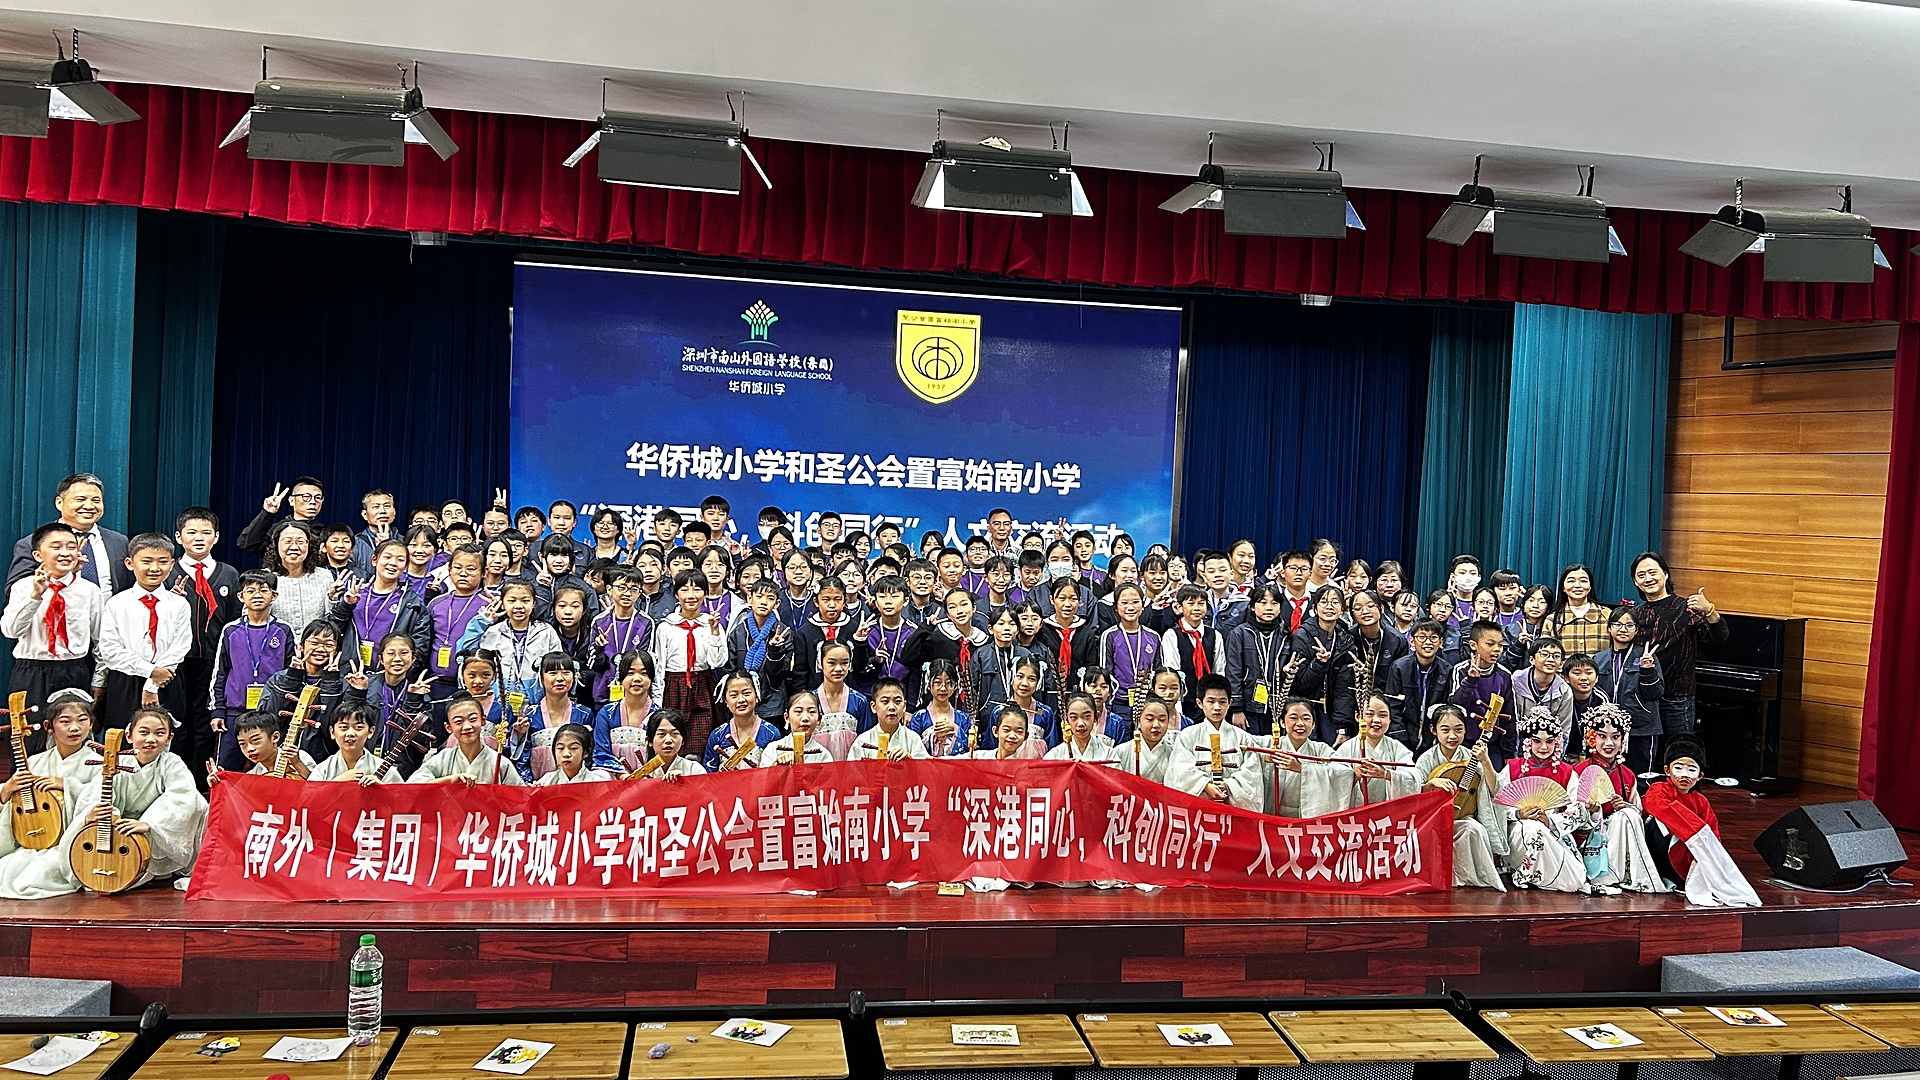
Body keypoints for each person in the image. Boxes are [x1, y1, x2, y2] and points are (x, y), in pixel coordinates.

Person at [2, 522, 103, 757]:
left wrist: (99, 679)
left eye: (71, 547)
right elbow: (10, 631)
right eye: (56, 547)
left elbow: (100, 640)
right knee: (27, 739)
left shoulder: (89, 591)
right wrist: (35, 596)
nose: (65, 553)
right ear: (38, 555)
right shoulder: (23, 587)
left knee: (73, 739)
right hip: (31, 671)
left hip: (74, 670)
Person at [0, 689, 100, 898]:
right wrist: (7, 789)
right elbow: (13, 805)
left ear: (91, 724)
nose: (75, 728)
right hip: (32, 842)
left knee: (36, 876)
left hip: (69, 844)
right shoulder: (34, 762)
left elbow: (103, 801)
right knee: (6, 869)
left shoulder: (99, 764)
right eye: (65, 722)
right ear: (49, 727)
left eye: (82, 720)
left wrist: (68, 785)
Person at [1641, 735, 1761, 907]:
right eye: (1678, 768)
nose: (1684, 775)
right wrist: (1691, 830)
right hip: (1661, 847)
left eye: (1691, 770)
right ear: (1667, 770)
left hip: (1688, 852)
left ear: (1700, 775)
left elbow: (1711, 834)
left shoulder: (1701, 801)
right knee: (1659, 823)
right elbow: (1658, 806)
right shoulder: (1658, 789)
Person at [92, 533, 191, 730]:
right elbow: (110, 650)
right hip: (125, 680)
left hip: (167, 678)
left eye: (162, 562)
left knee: (166, 735)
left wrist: (153, 684)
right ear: (130, 563)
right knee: (122, 737)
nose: (154, 568)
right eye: (146, 561)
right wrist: (150, 671)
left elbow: (180, 647)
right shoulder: (116, 603)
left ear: (172, 564)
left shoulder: (179, 604)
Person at [1629, 551, 1727, 742]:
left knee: (1678, 750)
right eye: (1641, 575)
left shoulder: (1686, 608)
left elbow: (1719, 638)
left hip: (1677, 698)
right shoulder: (1635, 614)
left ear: (1665, 574)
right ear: (1635, 582)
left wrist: (1709, 610)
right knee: (1645, 753)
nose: (1648, 579)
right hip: (1643, 697)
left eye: (1653, 572)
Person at [1495, 706, 1593, 893]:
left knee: (1575, 878)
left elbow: (1579, 809)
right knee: (1532, 828)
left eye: (1549, 741)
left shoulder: (1567, 772)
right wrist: (1519, 813)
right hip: (1520, 830)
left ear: (1557, 742)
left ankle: (1534, 876)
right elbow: (1498, 804)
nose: (1543, 747)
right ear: (1527, 742)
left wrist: (1550, 820)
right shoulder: (1512, 768)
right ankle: (1524, 872)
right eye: (1537, 741)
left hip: (1554, 831)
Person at [1573, 704, 1666, 894]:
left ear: (1623, 739)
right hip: (1588, 839)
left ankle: (1624, 873)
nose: (1609, 743)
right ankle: (1607, 875)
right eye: (1602, 736)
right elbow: (1569, 814)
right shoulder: (1578, 771)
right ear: (1591, 738)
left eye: (1615, 737)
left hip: (1619, 835)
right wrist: (1590, 812)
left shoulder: (1628, 775)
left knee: (1628, 815)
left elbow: (1639, 814)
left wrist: (1625, 806)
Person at [207, 570, 293, 773]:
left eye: (263, 590)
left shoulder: (283, 630)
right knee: (227, 769)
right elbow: (220, 672)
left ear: (274, 596)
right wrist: (217, 710)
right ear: (240, 596)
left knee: (271, 769)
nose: (257, 595)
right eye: (250, 591)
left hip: (271, 712)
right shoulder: (231, 630)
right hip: (235, 711)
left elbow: (291, 674)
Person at [1414, 704, 1507, 890]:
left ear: (1465, 730)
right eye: (1445, 730)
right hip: (1432, 819)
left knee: (1474, 829)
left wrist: (1486, 762)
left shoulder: (1470, 756)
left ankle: (1472, 877)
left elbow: (1494, 791)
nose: (1452, 736)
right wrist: (1432, 783)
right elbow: (1414, 792)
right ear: (1433, 730)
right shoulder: (1426, 759)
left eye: (1458, 730)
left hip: (1463, 815)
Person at [7, 473, 131, 592]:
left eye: (96, 500)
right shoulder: (31, 543)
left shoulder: (119, 541)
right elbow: (14, 592)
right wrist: (62, 573)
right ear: (59, 503)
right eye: (80, 499)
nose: (89, 506)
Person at [650, 570, 729, 748]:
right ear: (676, 594)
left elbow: (717, 663)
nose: (691, 596)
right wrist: (658, 700)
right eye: (685, 590)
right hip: (674, 686)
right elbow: (659, 666)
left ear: (706, 593)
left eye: (697, 589)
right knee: (673, 740)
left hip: (703, 685)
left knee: (702, 743)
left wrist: (715, 632)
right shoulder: (666, 627)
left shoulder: (711, 624)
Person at [459, 581, 562, 709]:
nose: (518, 606)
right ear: (502, 603)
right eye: (512, 601)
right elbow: (465, 653)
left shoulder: (546, 632)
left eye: (525, 601)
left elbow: (557, 665)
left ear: (534, 603)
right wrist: (482, 622)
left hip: (537, 697)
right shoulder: (493, 632)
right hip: (498, 697)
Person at [333, 539, 432, 671]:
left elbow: (419, 648)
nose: (393, 563)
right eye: (387, 557)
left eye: (400, 559)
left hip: (389, 677)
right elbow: (332, 629)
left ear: (405, 566)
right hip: (349, 673)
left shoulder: (413, 604)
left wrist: (396, 675)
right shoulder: (354, 594)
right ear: (374, 560)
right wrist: (346, 605)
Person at [258, 620, 345, 761]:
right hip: (279, 757)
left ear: (337, 651)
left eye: (329, 645)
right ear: (302, 646)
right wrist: (292, 678)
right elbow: (267, 718)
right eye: (315, 643)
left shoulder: (342, 684)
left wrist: (331, 682)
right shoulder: (279, 679)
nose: (321, 649)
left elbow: (332, 728)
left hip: (322, 760)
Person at [1592, 607, 1665, 774]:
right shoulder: (1598, 659)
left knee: (1642, 776)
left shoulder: (1647, 656)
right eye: (1617, 624)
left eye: (1629, 625)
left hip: (1641, 727)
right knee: (1607, 776)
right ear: (1609, 628)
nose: (1623, 629)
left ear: (1636, 630)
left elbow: (1655, 693)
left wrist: (1647, 670)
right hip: (1608, 730)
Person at [410, 693, 525, 785]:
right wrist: (450, 780)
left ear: (483, 720)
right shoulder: (443, 758)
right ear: (448, 727)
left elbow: (520, 796)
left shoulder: (500, 763)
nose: (467, 726)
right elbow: (413, 785)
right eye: (458, 721)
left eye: (473, 719)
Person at [1289, 585, 1355, 744]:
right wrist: (1319, 663)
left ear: (1342, 609)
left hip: (1331, 710)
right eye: (1324, 602)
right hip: (1305, 707)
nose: (1329, 607)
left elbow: (1344, 689)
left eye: (1335, 602)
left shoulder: (1346, 640)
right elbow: (1301, 685)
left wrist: (1343, 727)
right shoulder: (1302, 636)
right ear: (1315, 608)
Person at [426, 545, 491, 695]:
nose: (463, 573)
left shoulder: (490, 604)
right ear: (449, 570)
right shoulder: (436, 603)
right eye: (457, 567)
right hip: (437, 681)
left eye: (471, 569)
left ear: (484, 572)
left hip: (475, 684)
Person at [1448, 620, 1515, 766]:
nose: (1497, 649)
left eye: (1500, 645)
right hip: (1464, 743)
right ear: (1473, 645)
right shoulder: (1460, 670)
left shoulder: (1504, 675)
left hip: (1492, 744)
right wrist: (1471, 680)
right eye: (1490, 644)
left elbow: (1509, 716)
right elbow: (1455, 707)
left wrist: (1509, 752)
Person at [1334, 692, 1418, 807]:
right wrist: (1354, 776)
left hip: (1387, 813)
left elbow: (1413, 779)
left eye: (1383, 715)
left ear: (1390, 719)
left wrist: (1387, 774)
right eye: (1369, 714)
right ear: (1358, 716)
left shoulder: (1397, 748)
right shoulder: (1346, 749)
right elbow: (1334, 783)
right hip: (1356, 813)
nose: (1377, 720)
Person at [1160, 585, 1226, 722]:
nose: (1196, 608)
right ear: (1179, 607)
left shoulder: (1215, 635)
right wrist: (1177, 709)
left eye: (1201, 603)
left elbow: (1219, 670)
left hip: (1208, 702)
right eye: (1191, 603)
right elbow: (1173, 672)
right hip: (1184, 702)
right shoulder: (1172, 635)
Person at [1384, 620, 1451, 750]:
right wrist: (1399, 736)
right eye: (1422, 637)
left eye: (1434, 637)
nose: (1428, 642)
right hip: (1403, 735)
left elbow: (1445, 706)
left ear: (1441, 642)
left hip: (1432, 737)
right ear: (1412, 642)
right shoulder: (1399, 667)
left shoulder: (1446, 670)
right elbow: (1393, 705)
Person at [592, 650, 659, 772]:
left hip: (651, 777)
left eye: (644, 673)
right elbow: (601, 754)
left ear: (651, 678)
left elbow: (663, 755)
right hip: (614, 776)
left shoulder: (659, 716)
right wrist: (622, 775)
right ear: (621, 677)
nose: (637, 679)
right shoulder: (607, 713)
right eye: (630, 673)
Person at [702, 672, 780, 771]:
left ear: (756, 696)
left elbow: (776, 771)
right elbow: (709, 772)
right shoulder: (717, 735)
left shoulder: (771, 733)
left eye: (746, 693)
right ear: (726, 701)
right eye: (733, 695)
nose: (741, 700)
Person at [264, 521, 333, 633]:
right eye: (288, 541)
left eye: (300, 542)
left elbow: (331, 619)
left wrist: (333, 599)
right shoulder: (264, 578)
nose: (294, 547)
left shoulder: (325, 576)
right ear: (276, 544)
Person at [1508, 639, 1574, 755]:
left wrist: (1555, 759)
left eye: (1556, 656)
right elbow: (1511, 725)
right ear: (1532, 659)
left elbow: (1563, 732)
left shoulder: (1564, 690)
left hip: (1547, 750)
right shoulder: (1515, 682)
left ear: (1561, 664)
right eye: (1544, 654)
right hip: (1517, 746)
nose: (1550, 659)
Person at [309, 703, 403, 784]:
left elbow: (403, 798)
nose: (350, 733)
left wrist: (383, 789)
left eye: (358, 727)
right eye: (344, 727)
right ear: (332, 732)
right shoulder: (323, 770)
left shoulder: (387, 770)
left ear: (370, 731)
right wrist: (336, 782)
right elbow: (308, 798)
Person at [234, 477, 326, 557]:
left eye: (318, 498)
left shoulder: (324, 532)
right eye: (306, 497)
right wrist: (267, 513)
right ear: (291, 500)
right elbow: (246, 544)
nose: (313, 502)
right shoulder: (277, 529)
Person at [216, 709, 315, 779]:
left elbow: (318, 788)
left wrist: (297, 763)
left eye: (255, 740)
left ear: (275, 737)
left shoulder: (299, 757)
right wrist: (218, 783)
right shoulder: (253, 775)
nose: (250, 749)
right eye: (243, 744)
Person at [849, 678, 925, 760]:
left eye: (897, 701)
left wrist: (910, 761)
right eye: (885, 701)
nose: (892, 707)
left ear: (904, 706)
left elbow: (924, 766)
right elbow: (852, 768)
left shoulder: (913, 739)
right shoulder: (862, 741)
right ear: (874, 706)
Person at [1110, 694, 1178, 783]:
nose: (1156, 725)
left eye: (1162, 720)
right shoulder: (1121, 752)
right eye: (1150, 719)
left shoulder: (1174, 752)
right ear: (1138, 720)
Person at [1546, 564, 1610, 658]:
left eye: (1583, 581)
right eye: (1571, 581)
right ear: (1563, 587)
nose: (1577, 586)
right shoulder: (1552, 620)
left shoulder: (1606, 615)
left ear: (1590, 586)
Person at [761, 689, 833, 765]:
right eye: (798, 711)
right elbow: (763, 772)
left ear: (818, 719)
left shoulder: (823, 754)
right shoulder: (773, 749)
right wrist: (776, 766)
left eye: (811, 712)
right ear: (787, 717)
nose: (805, 718)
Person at [1045, 691, 1115, 762]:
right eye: (1073, 717)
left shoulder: (1108, 754)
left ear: (1096, 717)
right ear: (1067, 719)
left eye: (1087, 716)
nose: (1080, 723)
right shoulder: (1055, 755)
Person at [536, 723, 610, 785]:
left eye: (573, 748)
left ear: (586, 752)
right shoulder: (546, 781)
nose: (566, 754)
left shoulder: (597, 782)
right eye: (560, 748)